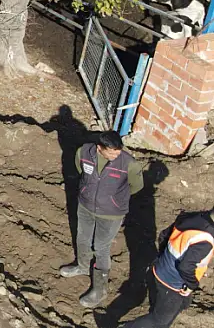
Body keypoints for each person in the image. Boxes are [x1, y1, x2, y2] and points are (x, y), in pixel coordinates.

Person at [59, 130, 147, 307]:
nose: (117, 154)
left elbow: (136, 186)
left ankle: (100, 289)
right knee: (82, 237)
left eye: (119, 150)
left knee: (101, 247)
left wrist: (113, 199)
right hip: (85, 205)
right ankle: (83, 266)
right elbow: (80, 170)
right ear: (99, 148)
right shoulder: (83, 152)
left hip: (111, 213)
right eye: (112, 151)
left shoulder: (129, 163)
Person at [123, 209, 214, 327]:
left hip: (161, 269)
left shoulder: (194, 217)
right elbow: (185, 267)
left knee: (182, 304)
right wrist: (192, 284)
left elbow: (164, 235)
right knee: (160, 320)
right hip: (172, 284)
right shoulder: (205, 240)